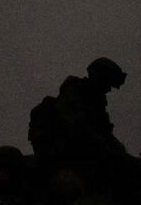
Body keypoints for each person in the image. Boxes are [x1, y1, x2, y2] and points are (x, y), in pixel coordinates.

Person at [28, 57, 128, 187]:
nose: (108, 90)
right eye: (107, 84)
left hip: (81, 155)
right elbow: (77, 127)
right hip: (62, 156)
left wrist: (119, 152)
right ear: (98, 78)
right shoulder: (75, 93)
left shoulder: (96, 103)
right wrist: (106, 147)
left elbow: (104, 132)